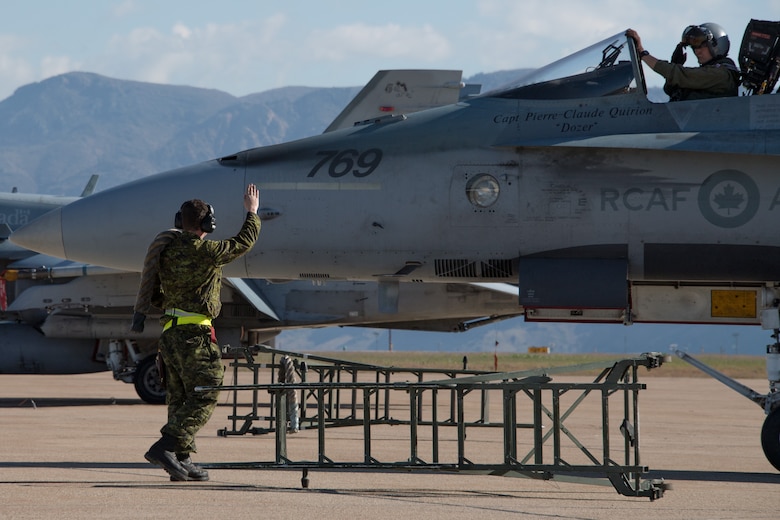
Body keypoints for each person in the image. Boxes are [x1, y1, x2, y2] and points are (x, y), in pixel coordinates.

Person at [131, 184, 261, 481]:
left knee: (179, 398)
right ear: (207, 225)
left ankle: (181, 459)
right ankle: (165, 446)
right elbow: (244, 242)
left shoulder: (166, 251)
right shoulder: (207, 252)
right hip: (194, 336)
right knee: (207, 391)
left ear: (181, 221)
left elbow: (154, 293)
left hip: (170, 334)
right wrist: (251, 211)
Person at [626, 24, 740, 101]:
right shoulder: (707, 74)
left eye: (702, 47)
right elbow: (673, 91)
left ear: (715, 47)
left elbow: (682, 75)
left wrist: (643, 54)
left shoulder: (722, 74)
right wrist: (676, 63)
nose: (697, 52)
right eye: (694, 48)